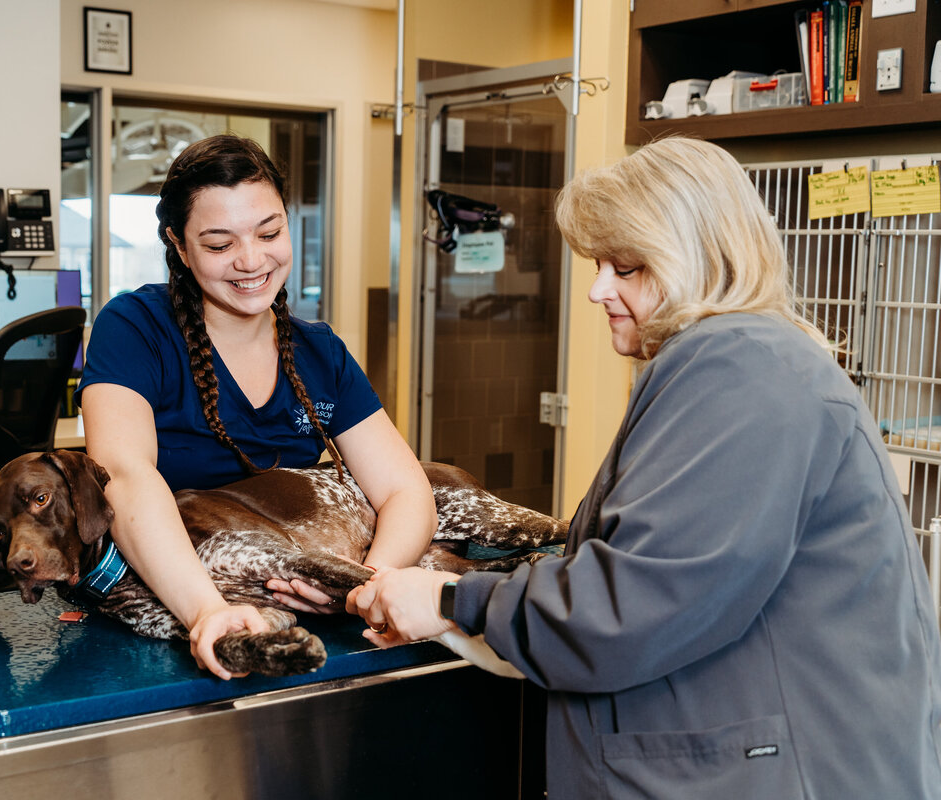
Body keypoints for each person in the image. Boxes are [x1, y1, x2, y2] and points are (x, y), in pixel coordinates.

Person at [347, 137, 941, 797]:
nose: (599, 289)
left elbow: (640, 600)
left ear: (701, 258)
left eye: (626, 267)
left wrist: (452, 600)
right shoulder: (754, 361)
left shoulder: (738, 368)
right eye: (599, 264)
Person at [78, 134, 437, 680]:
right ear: (179, 244)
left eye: (269, 233)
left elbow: (405, 490)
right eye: (220, 245)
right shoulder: (134, 328)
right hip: (186, 602)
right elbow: (124, 476)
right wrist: (207, 611)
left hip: (320, 608)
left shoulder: (319, 352)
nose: (251, 261)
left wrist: (365, 582)